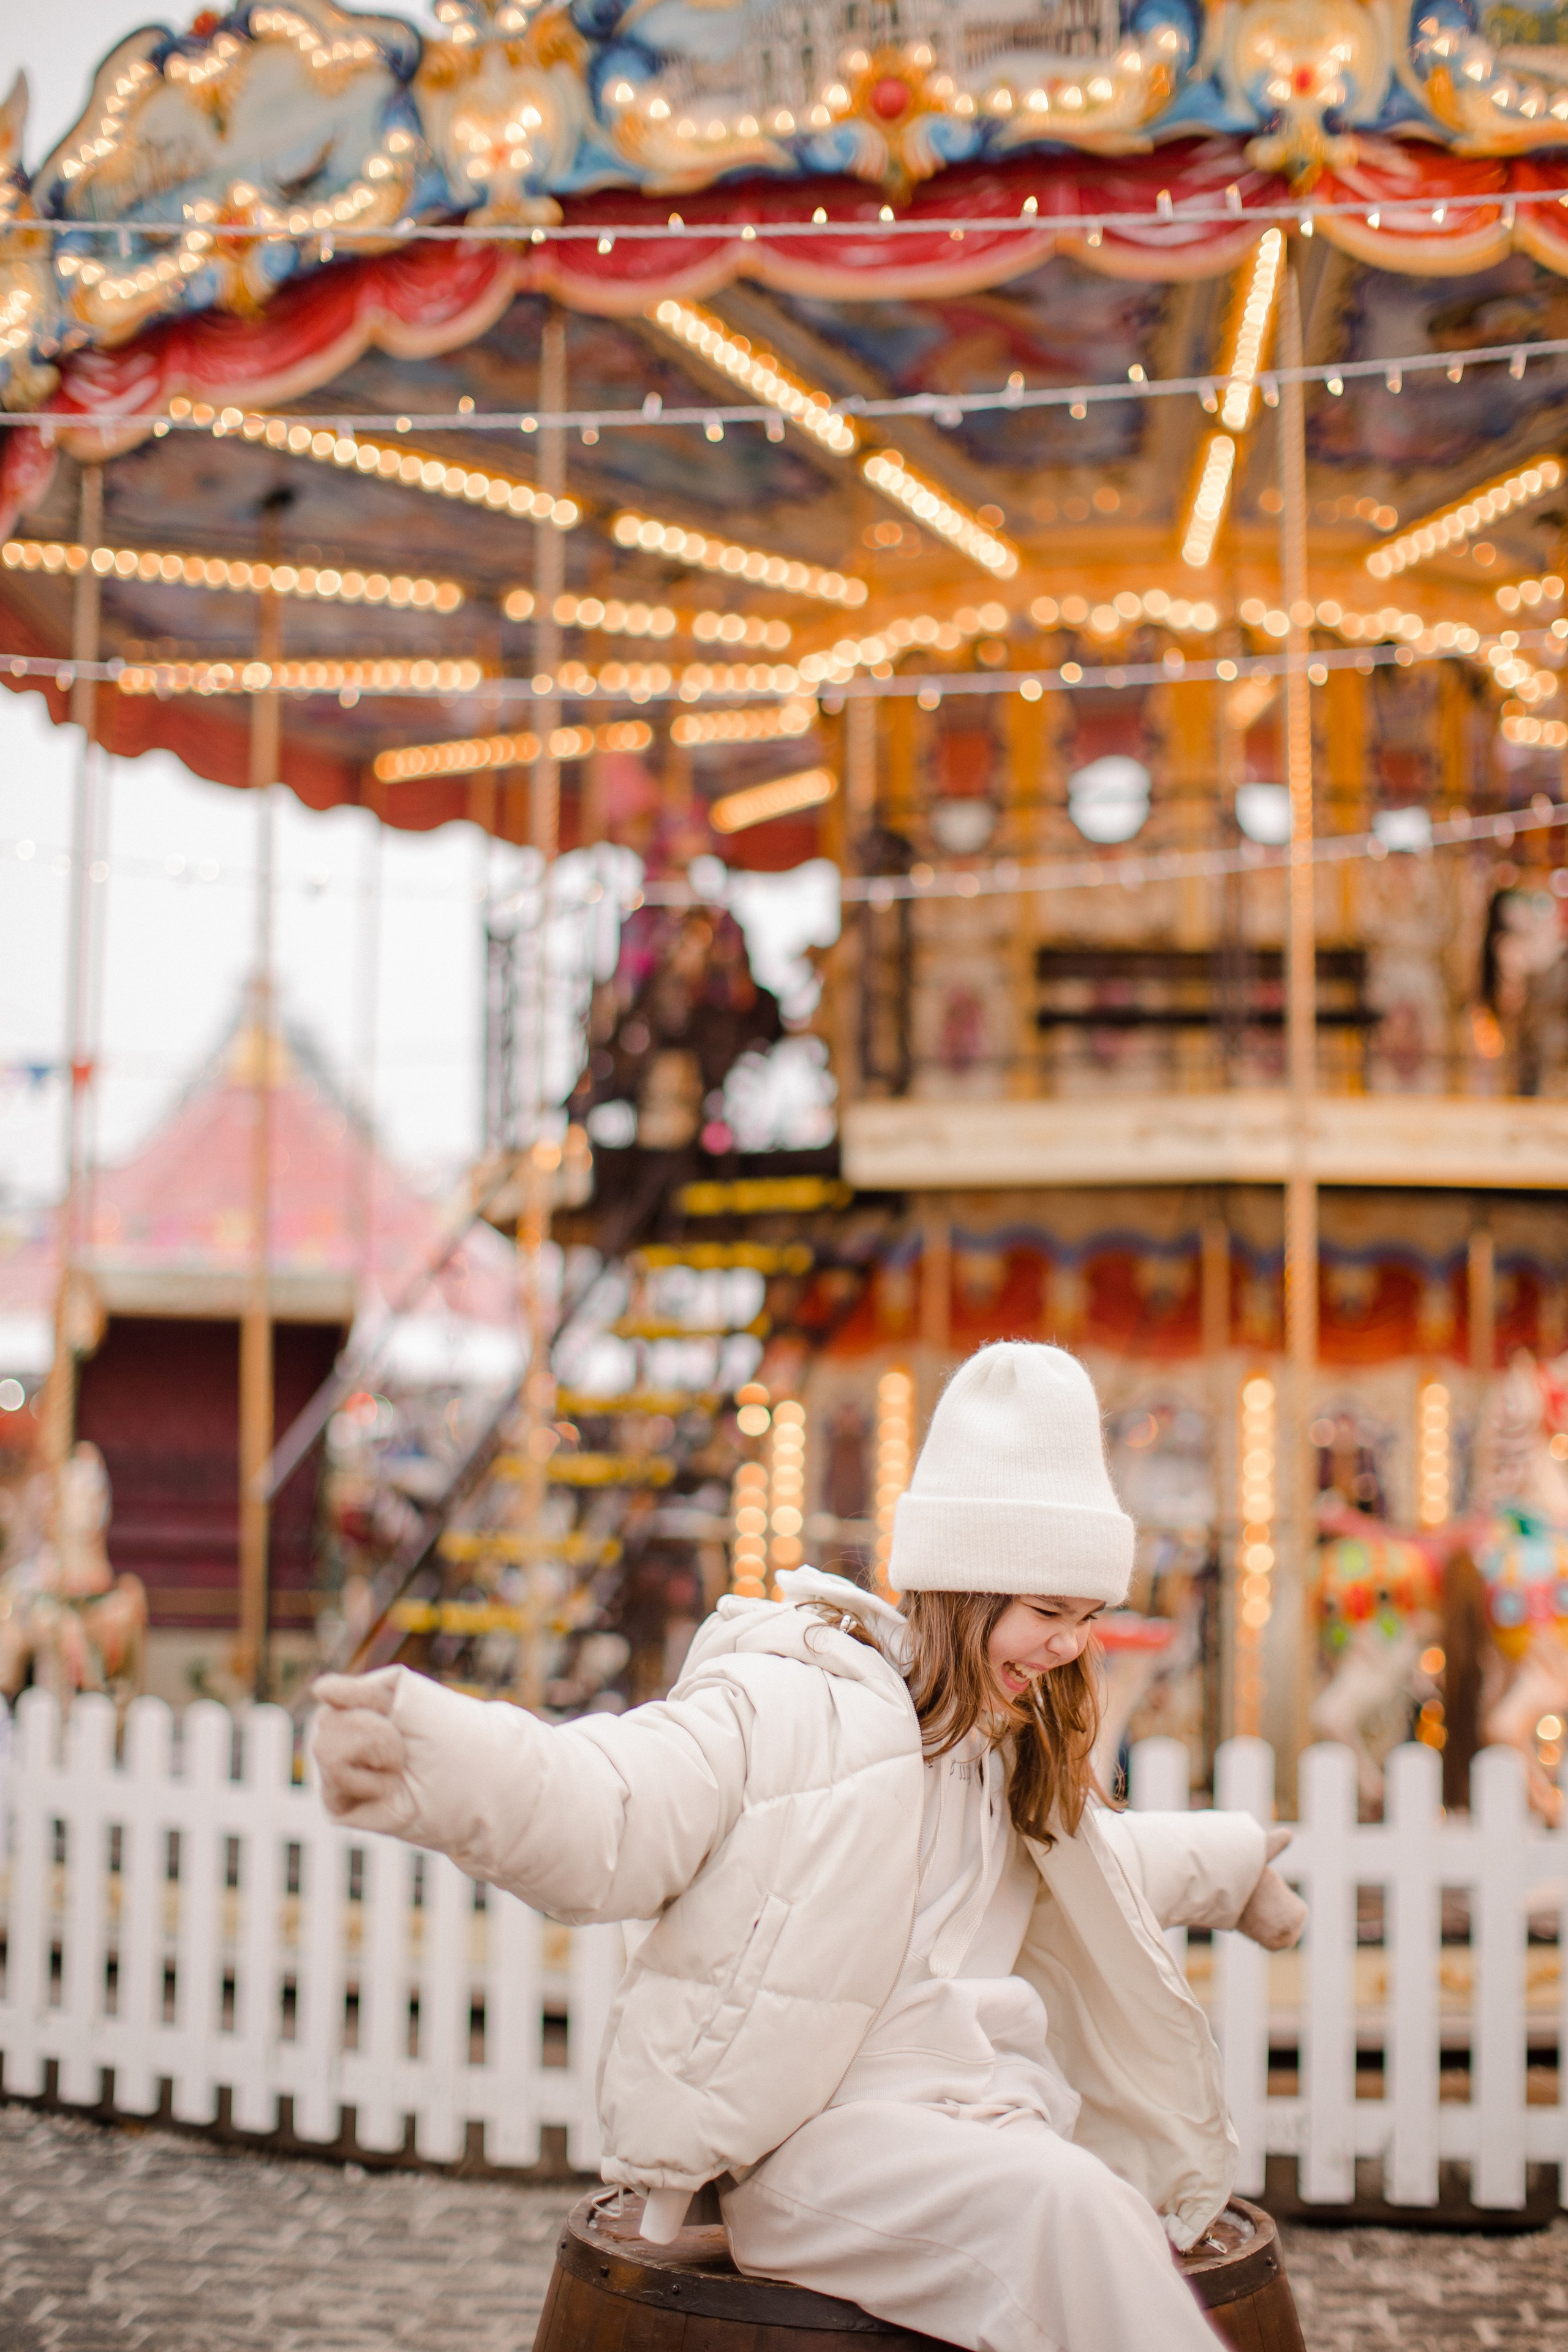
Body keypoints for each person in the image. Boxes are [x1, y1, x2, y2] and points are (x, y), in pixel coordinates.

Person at [312, 1341, 1305, 2352]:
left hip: (990, 2114)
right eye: (1048, 1612)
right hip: (821, 2142)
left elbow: (1108, 1872)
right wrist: (439, 1755)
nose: (1070, 1646)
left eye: (1086, 1618)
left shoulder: (1005, 1754)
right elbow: (615, 1801)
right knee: (1071, 2212)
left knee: (1092, 2203)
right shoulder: (793, 1707)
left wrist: (1232, 1866)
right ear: (963, 1588)